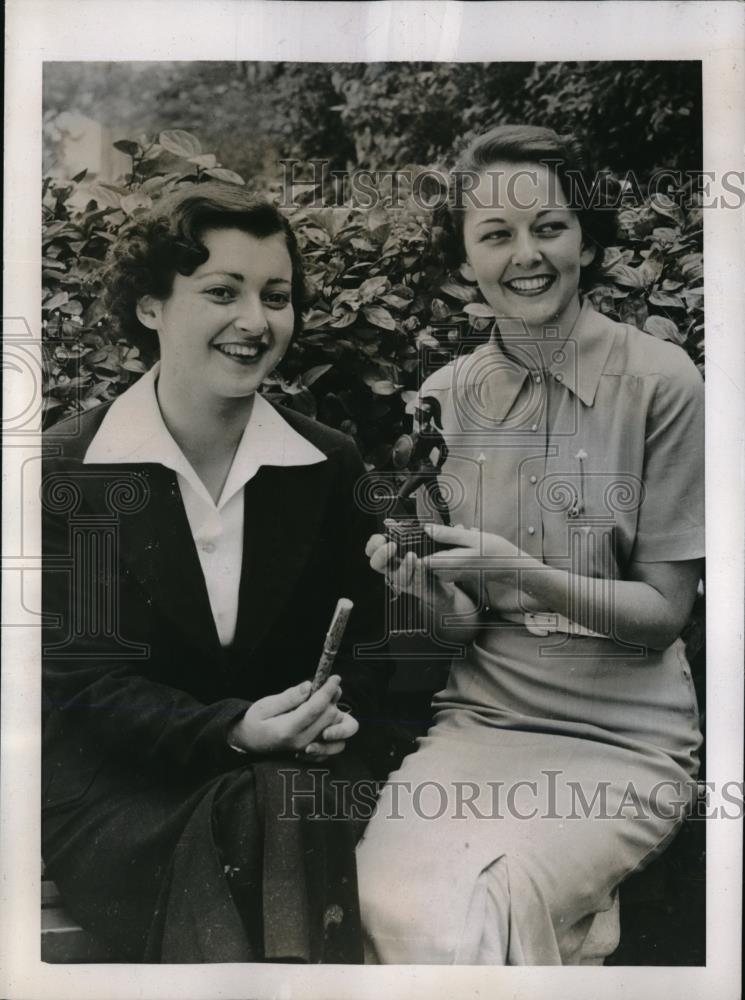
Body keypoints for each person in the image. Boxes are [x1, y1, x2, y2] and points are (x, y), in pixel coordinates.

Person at [356, 125, 704, 964]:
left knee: (490, 902)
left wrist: (516, 569)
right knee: (388, 896)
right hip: (482, 723)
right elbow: (462, 630)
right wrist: (431, 591)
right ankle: (570, 938)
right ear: (466, 259)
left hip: (623, 741)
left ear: (586, 239)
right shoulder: (443, 400)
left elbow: (661, 616)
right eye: (495, 235)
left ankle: (558, 927)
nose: (526, 255)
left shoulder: (663, 382)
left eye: (548, 226)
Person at [41, 182, 395, 963]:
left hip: (300, 785)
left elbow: (370, 644)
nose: (255, 321)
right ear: (150, 308)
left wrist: (335, 714)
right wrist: (232, 730)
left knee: (280, 801)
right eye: (220, 292)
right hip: (129, 800)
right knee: (269, 808)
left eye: (276, 296)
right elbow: (83, 684)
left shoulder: (325, 461)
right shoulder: (73, 467)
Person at [394, 396, 452, 525]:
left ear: (425, 414)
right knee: (437, 499)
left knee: (401, 496)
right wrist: (437, 466)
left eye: (418, 411)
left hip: (421, 469)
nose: (415, 413)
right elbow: (445, 450)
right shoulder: (432, 431)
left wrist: (439, 466)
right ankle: (448, 524)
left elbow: (411, 451)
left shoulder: (422, 432)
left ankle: (415, 521)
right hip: (428, 468)